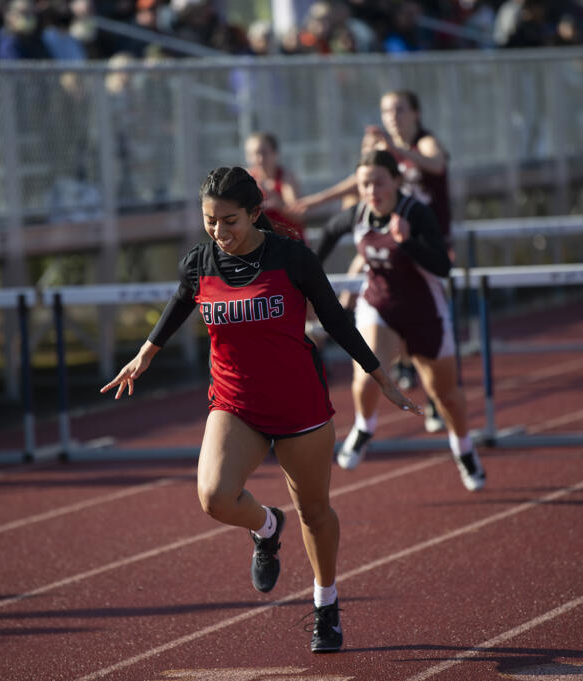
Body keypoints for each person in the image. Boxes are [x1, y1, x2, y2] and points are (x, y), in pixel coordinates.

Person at [100, 166, 420, 653]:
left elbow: (335, 320)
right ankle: (267, 527)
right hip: (236, 403)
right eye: (210, 221)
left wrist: (381, 377)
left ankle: (326, 606)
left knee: (314, 510)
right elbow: (179, 304)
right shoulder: (199, 262)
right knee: (213, 496)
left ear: (254, 213)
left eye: (229, 221)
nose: (219, 231)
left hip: (299, 407)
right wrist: (144, 355)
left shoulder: (292, 259)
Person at [315, 150, 486, 493]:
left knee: (445, 394)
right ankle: (364, 426)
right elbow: (324, 239)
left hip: (425, 311)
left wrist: (407, 241)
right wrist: (303, 277)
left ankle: (464, 449)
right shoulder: (358, 214)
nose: (372, 189)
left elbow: (443, 267)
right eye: (365, 183)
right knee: (368, 371)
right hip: (380, 304)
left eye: (379, 181)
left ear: (396, 180)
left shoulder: (416, 213)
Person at [295, 90, 455, 432]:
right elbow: (362, 178)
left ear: (415, 112)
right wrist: (319, 199)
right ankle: (334, 327)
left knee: (425, 317)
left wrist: (392, 151)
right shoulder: (380, 152)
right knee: (358, 284)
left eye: (399, 109)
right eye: (386, 110)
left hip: (426, 242)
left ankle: (431, 388)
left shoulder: (425, 144)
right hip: (388, 238)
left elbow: (437, 164)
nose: (393, 116)